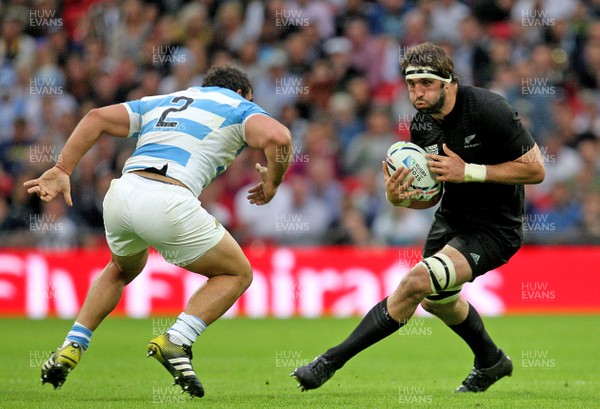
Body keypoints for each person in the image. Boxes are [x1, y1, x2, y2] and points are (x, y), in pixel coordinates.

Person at [292, 42, 545, 393]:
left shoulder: (489, 108)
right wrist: (398, 198)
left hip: (495, 228)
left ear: (448, 81)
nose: (417, 92)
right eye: (412, 85)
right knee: (436, 300)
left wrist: (469, 171)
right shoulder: (422, 126)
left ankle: (327, 363)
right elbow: (434, 194)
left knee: (413, 284)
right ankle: (491, 361)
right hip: (451, 220)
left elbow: (536, 171)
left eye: (426, 83)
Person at [25, 65, 292, 398]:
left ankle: (72, 345)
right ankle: (177, 339)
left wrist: (63, 167)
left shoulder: (163, 100)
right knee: (236, 273)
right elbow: (280, 138)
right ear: (242, 93)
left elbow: (95, 117)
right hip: (168, 199)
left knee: (120, 270)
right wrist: (273, 181)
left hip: (122, 194)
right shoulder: (238, 105)